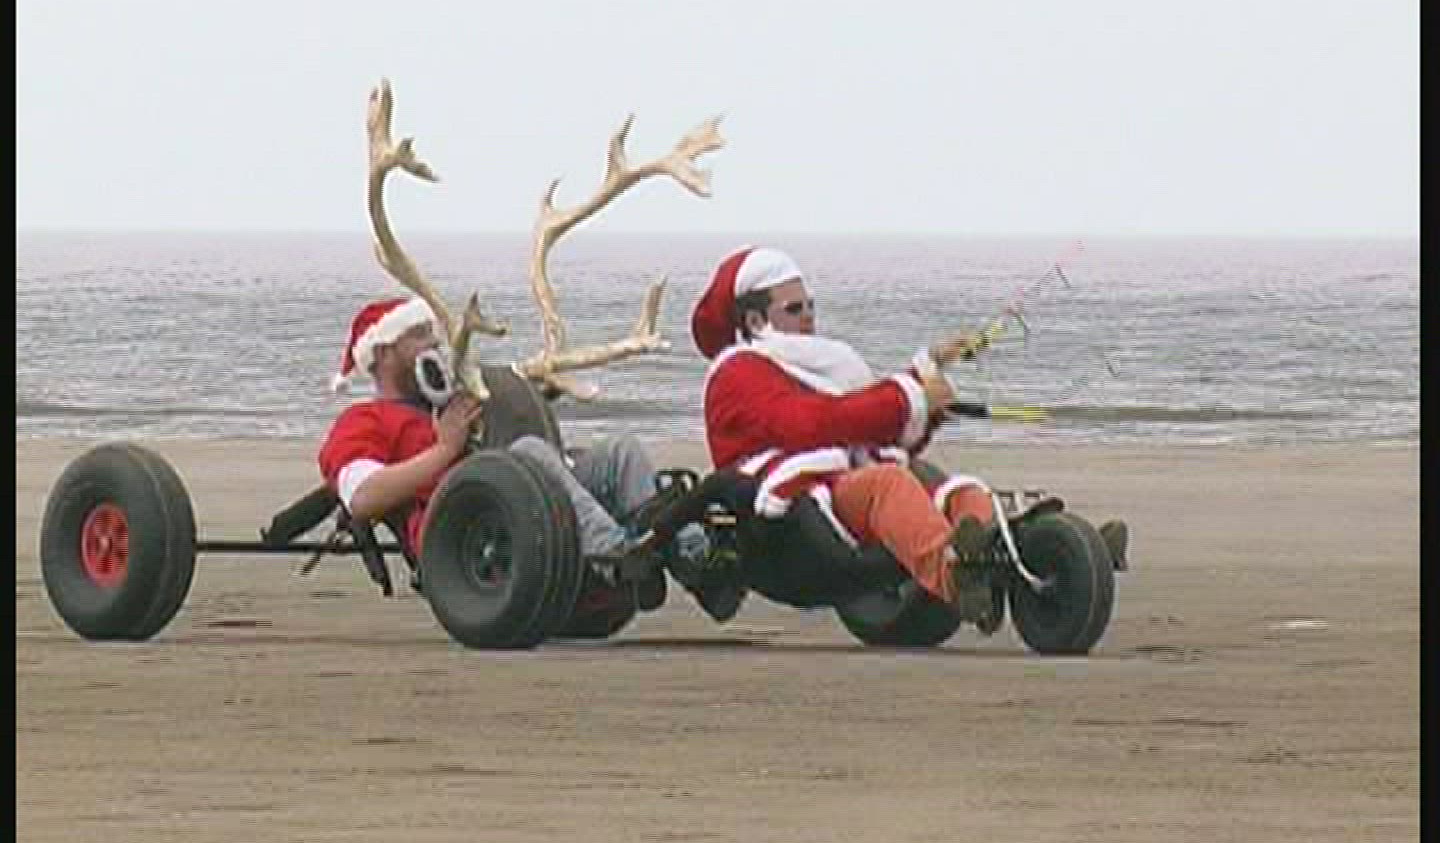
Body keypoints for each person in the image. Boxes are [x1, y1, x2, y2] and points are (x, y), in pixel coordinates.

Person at [691, 246, 1127, 629]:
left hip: (838, 487)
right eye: (794, 309)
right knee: (889, 483)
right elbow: (813, 424)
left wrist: (929, 380)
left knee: (963, 492)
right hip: (794, 503)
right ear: (755, 320)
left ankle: (1042, 558)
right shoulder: (738, 371)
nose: (808, 316)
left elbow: (871, 426)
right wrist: (911, 397)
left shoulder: (813, 364)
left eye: (810, 306)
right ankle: (957, 576)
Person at [317, 296, 725, 618]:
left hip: (519, 507)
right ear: (383, 354)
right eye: (419, 335)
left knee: (620, 452)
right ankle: (617, 559)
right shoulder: (364, 420)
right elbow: (363, 498)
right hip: (465, 531)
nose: (435, 345)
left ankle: (696, 558)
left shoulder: (452, 402)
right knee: (529, 452)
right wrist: (445, 449)